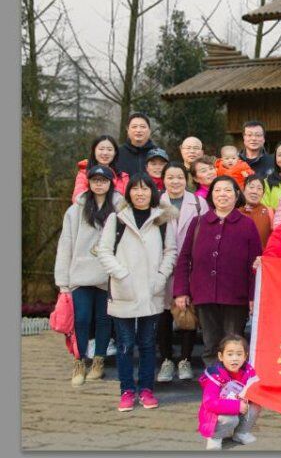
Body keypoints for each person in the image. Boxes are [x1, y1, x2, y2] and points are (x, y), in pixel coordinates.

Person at [95, 173, 178, 412]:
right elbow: (104, 251)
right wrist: (121, 274)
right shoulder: (117, 219)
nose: (140, 193)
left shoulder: (162, 220)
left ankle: (146, 389)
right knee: (124, 344)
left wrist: (161, 277)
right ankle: (127, 390)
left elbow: (170, 252)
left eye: (145, 189)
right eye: (135, 189)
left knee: (148, 343)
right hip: (124, 291)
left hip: (152, 291)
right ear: (128, 193)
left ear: (153, 192)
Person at [173, 176, 262, 369]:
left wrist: (253, 296)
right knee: (211, 344)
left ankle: (233, 381)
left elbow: (255, 265)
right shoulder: (198, 222)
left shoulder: (247, 224)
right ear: (211, 195)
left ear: (236, 195)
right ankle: (213, 380)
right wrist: (181, 291)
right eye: (218, 190)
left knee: (234, 344)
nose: (223, 194)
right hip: (204, 294)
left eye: (228, 190)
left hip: (236, 296)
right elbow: (185, 258)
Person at [55, 164, 118, 386]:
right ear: (89, 182)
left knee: (104, 319)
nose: (99, 184)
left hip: (108, 274)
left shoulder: (119, 208)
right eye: (95, 180)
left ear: (111, 183)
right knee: (81, 319)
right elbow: (66, 245)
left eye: (103, 180)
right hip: (80, 273)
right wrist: (62, 281)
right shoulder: (75, 210)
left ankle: (99, 361)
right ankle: (79, 361)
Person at [157, 162, 208, 384]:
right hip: (161, 266)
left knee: (187, 313)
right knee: (163, 315)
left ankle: (185, 359)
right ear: (163, 179)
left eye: (179, 177)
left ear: (186, 179)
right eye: (170, 177)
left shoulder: (198, 202)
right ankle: (166, 359)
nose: (175, 181)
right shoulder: (156, 202)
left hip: (190, 265)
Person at [198, 334, 260, 449]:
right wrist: (237, 406)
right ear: (221, 356)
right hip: (215, 414)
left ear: (245, 356)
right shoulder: (215, 376)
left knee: (255, 406)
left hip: (239, 405)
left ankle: (241, 433)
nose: (234, 358)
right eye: (230, 354)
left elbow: (255, 390)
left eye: (239, 354)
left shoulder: (249, 372)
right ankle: (215, 437)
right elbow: (210, 403)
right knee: (230, 419)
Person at [72, 135, 129, 202]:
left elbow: (126, 202)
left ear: (115, 153)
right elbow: (77, 198)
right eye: (101, 149)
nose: (105, 153)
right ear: (94, 151)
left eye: (109, 149)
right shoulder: (84, 174)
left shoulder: (123, 177)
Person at [115, 112, 159, 178]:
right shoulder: (117, 154)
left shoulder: (158, 154)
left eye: (143, 127)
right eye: (134, 127)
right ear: (128, 130)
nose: (138, 130)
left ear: (149, 130)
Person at [239, 175, 273, 248]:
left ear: (263, 193)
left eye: (259, 188)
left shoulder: (270, 212)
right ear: (243, 189)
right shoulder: (234, 211)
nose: (255, 192)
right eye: (251, 187)